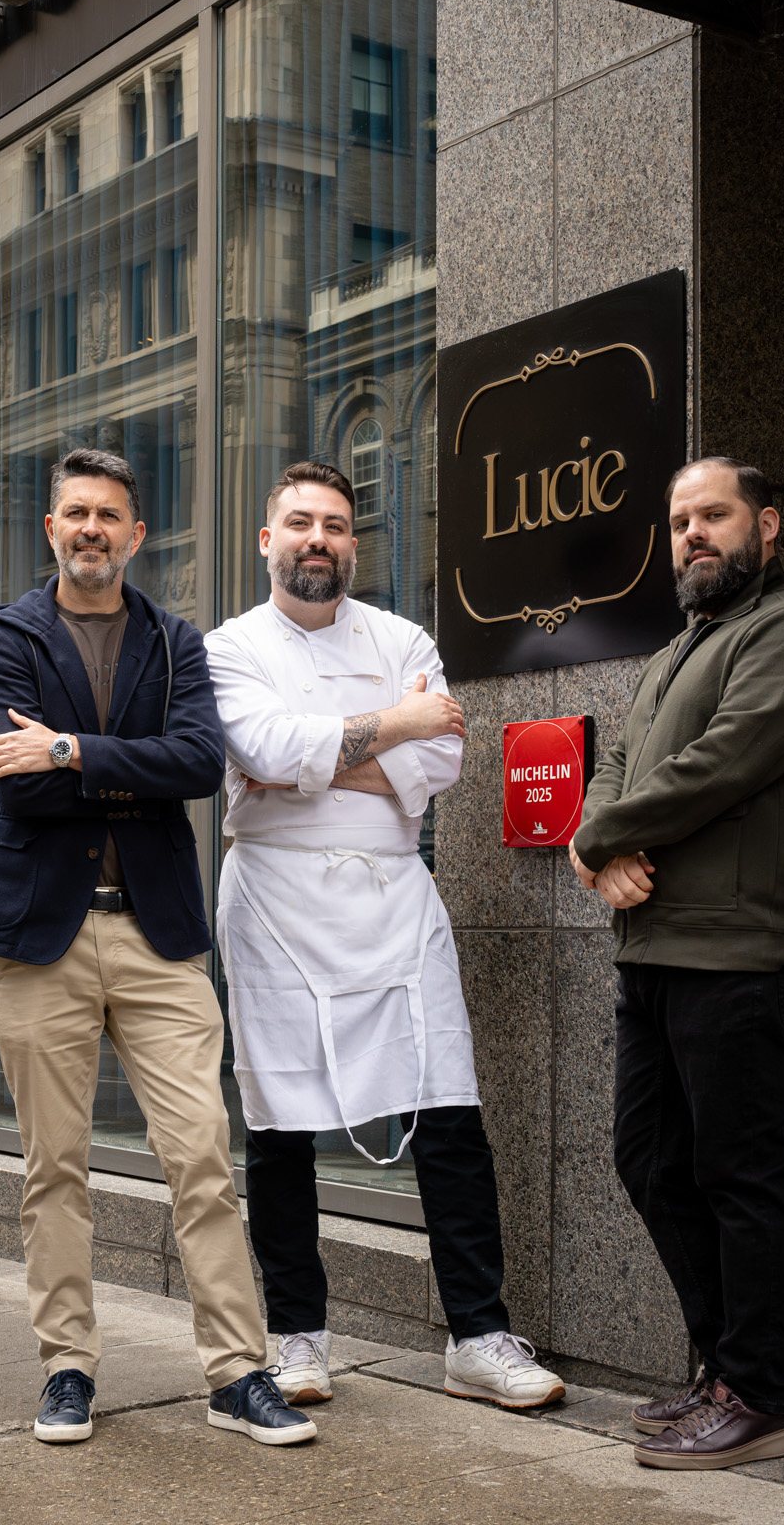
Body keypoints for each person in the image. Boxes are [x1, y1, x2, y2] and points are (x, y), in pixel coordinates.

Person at [204, 460, 564, 1414]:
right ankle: (298, 1337)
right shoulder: (228, 648)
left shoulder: (403, 637)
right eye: (299, 523)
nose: (316, 539)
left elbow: (439, 760)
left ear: (352, 544)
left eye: (334, 525)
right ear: (266, 540)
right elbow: (261, 750)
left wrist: (311, 759)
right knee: (279, 1128)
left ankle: (478, 1337)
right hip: (275, 903)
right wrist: (393, 723)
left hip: (396, 894)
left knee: (448, 1114)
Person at [0, 446, 314, 1449]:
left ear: (136, 534)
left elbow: (199, 764)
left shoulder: (175, 643)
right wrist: (126, 770)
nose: (92, 528)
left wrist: (69, 747)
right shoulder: (7, 635)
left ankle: (237, 1371)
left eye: (108, 514)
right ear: (52, 528)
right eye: (75, 512)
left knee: (201, 1155)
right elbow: (16, 786)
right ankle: (68, 1366)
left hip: (157, 935)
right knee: (54, 1165)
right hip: (40, 935)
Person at [568, 457, 784, 1471]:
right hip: (654, 947)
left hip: (742, 949)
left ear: (764, 525)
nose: (692, 532)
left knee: (737, 1172)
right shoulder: (671, 652)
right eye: (680, 518)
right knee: (648, 1160)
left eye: (714, 514)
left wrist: (596, 837)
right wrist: (596, 843)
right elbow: (615, 764)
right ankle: (723, 1369)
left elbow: (723, 761)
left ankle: (762, 1397)